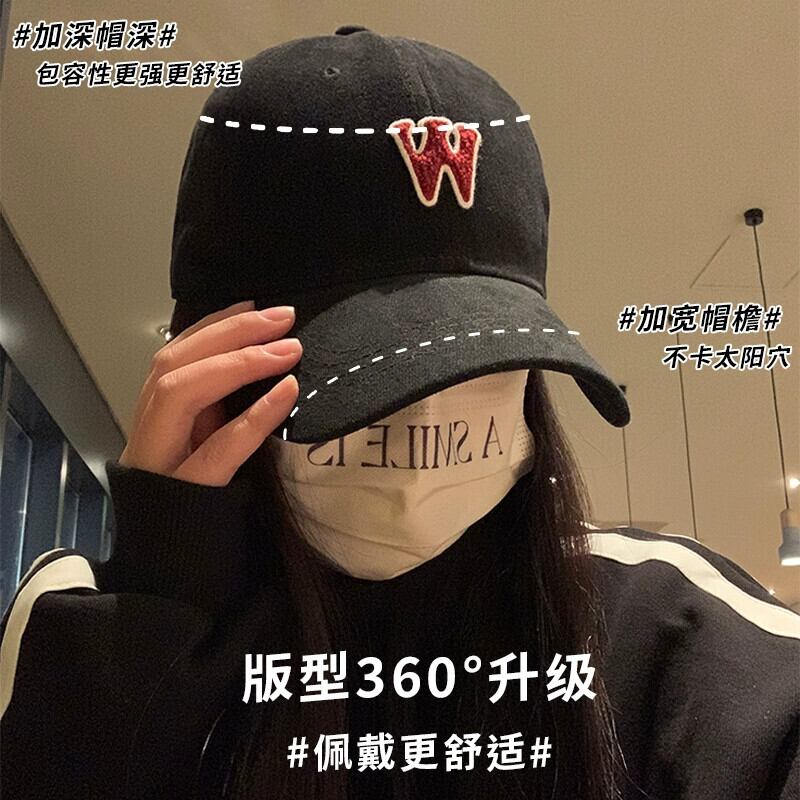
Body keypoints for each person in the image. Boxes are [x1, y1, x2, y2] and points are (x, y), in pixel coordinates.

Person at [1, 26, 798, 800]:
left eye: (471, 365)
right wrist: (159, 595)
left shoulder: (671, 626)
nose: (420, 433)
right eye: (355, 370)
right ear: (204, 369)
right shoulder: (85, 637)